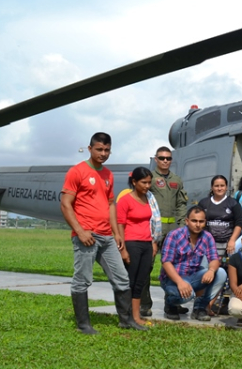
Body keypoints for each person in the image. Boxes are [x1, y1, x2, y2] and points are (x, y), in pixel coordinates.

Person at [61, 132, 146, 334]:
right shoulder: (77, 171)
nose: (103, 153)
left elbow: (110, 205)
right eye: (99, 149)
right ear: (90, 149)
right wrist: (80, 231)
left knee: (121, 278)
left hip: (107, 236)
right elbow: (65, 204)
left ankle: (126, 321)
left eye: (107, 150)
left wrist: (117, 233)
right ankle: (83, 325)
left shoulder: (108, 174)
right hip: (87, 236)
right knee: (82, 280)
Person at [160, 205, 228, 321]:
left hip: (193, 277)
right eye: (194, 221)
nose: (198, 224)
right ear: (187, 221)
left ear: (205, 222)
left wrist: (211, 271)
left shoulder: (207, 236)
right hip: (172, 279)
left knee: (221, 273)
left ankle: (199, 308)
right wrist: (180, 282)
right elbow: (166, 262)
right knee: (188, 295)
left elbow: (214, 259)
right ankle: (170, 304)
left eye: (201, 221)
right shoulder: (174, 235)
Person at [144, 146, 188, 317]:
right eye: (161, 158)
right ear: (156, 159)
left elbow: (181, 204)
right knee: (146, 267)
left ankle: (172, 304)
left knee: (174, 268)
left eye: (168, 158)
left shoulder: (177, 179)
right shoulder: (149, 179)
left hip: (173, 231)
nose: (165, 161)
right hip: (153, 230)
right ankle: (144, 304)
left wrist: (181, 227)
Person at [116, 167, 161, 327]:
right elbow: (119, 225)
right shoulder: (125, 200)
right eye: (144, 182)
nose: (147, 186)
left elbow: (153, 223)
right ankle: (125, 317)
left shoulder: (149, 199)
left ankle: (136, 317)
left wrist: (153, 243)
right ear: (134, 182)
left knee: (141, 282)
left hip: (146, 244)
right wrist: (123, 249)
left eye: (149, 182)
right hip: (131, 243)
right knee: (130, 281)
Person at [198, 175, 242, 255]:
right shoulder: (203, 203)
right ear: (212, 187)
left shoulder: (234, 203)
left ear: (226, 187)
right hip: (208, 241)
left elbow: (239, 223)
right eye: (216, 186)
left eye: (222, 186)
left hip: (228, 241)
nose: (219, 188)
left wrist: (232, 240)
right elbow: (198, 222)